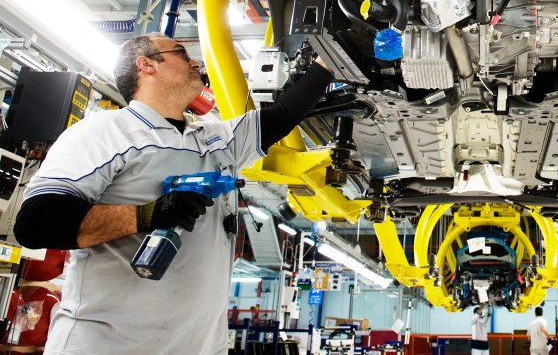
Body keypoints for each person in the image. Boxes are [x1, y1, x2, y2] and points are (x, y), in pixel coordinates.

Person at [14, 33, 335, 354]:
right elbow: (36, 222)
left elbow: (282, 115)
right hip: (108, 346)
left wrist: (330, 57)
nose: (195, 61)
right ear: (146, 65)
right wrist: (147, 214)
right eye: (181, 53)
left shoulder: (213, 138)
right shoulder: (105, 131)